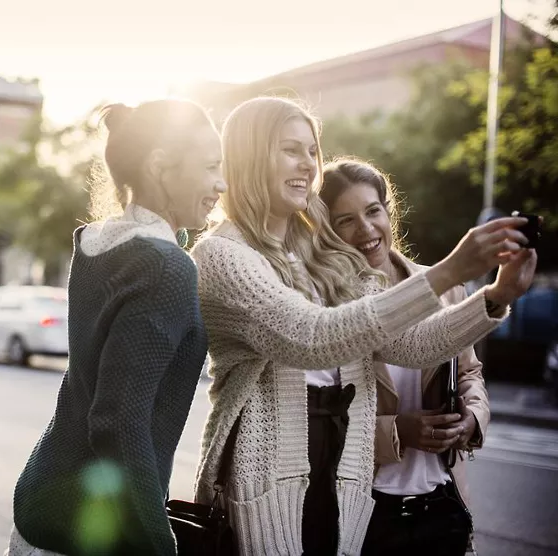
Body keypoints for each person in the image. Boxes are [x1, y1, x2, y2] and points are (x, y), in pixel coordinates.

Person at [189, 97, 536, 556]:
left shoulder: (322, 253)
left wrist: (497, 295)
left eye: (312, 150)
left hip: (346, 476)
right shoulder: (221, 255)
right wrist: (450, 270)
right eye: (290, 149)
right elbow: (312, 338)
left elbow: (411, 346)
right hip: (267, 477)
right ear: (249, 155)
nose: (308, 164)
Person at [6, 99, 226, 556]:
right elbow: (117, 422)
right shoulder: (165, 268)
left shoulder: (99, 244)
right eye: (210, 167)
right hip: (88, 528)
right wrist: (158, 545)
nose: (221, 184)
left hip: (45, 502)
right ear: (160, 167)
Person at [320, 157, 496, 556]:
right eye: (346, 220)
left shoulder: (445, 289)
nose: (366, 230)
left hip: (443, 502)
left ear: (388, 212)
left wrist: (472, 418)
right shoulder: (328, 310)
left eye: (373, 211)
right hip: (366, 514)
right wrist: (397, 431)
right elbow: (321, 423)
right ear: (328, 232)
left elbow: (469, 373)